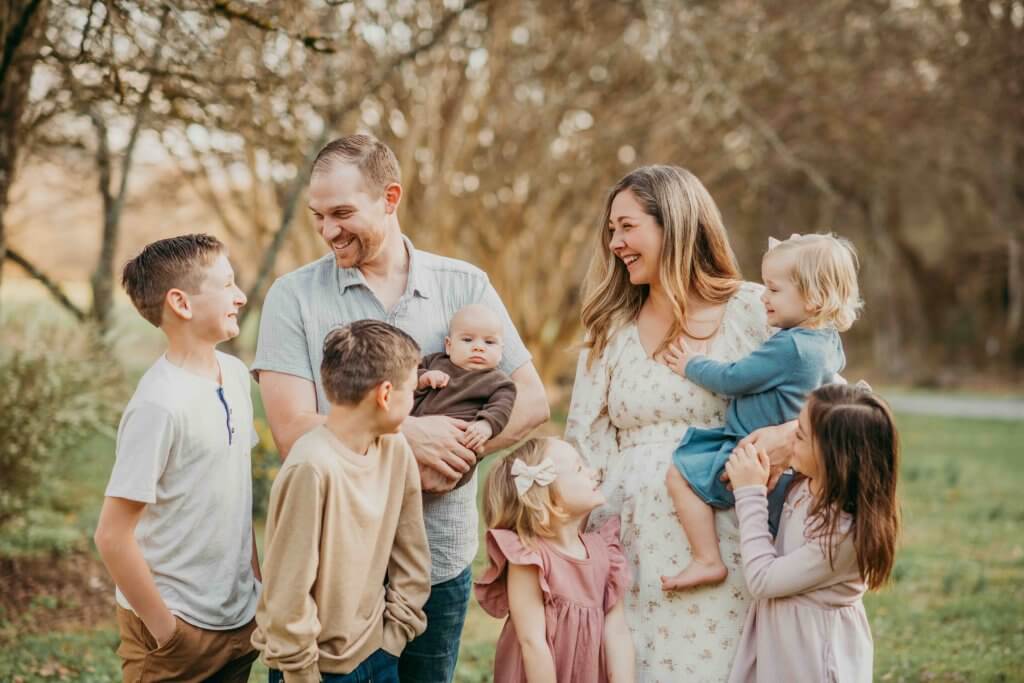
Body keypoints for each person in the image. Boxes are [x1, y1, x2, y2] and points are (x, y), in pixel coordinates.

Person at [252, 134, 549, 682]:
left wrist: (461, 449)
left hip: (436, 560)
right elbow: (293, 430)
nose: (328, 231)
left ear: (391, 197)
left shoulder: (464, 285)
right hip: (332, 573)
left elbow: (530, 401)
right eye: (319, 216)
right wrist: (411, 437)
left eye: (342, 213)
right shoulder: (292, 297)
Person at [564, 165, 799, 680]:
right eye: (611, 230)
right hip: (627, 542)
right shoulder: (611, 327)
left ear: (673, 224)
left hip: (732, 533)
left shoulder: (752, 309)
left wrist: (781, 442)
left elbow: (827, 398)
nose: (615, 243)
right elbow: (585, 439)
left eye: (627, 227)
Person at [94, 234, 260, 682]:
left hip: (239, 621)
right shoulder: (158, 404)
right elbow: (112, 535)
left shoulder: (238, 376)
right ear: (181, 303)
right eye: (227, 285)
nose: (240, 297)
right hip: (176, 637)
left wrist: (256, 589)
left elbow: (236, 495)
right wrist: (169, 632)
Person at [661, 233, 860, 590]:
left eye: (774, 290)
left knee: (680, 473)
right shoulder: (828, 342)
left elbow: (733, 378)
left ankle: (706, 559)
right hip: (786, 464)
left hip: (749, 452)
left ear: (813, 299)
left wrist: (692, 364)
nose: (763, 297)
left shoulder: (791, 347)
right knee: (779, 536)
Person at [252, 320, 431, 683]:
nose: (413, 402)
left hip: (380, 654)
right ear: (384, 394)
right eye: (411, 391)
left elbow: (411, 551)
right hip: (313, 670)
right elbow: (288, 590)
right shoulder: (312, 467)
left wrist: (393, 640)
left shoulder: (394, 448)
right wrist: (303, 673)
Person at [726, 383, 900, 682]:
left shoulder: (844, 535)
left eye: (801, 434)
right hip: (782, 648)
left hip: (815, 657)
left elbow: (762, 579)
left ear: (833, 458)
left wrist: (750, 493)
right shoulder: (808, 485)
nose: (789, 435)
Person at [475, 437, 635, 683]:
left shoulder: (605, 553)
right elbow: (532, 642)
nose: (593, 473)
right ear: (550, 499)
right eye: (579, 468)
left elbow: (617, 632)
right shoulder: (529, 558)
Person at [413, 303, 517, 490]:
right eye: (468, 340)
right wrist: (423, 378)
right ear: (449, 346)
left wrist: (486, 425)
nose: (478, 347)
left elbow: (501, 409)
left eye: (489, 342)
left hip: (454, 455)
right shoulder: (434, 363)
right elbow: (405, 381)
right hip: (413, 444)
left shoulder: (499, 382)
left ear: (501, 352)